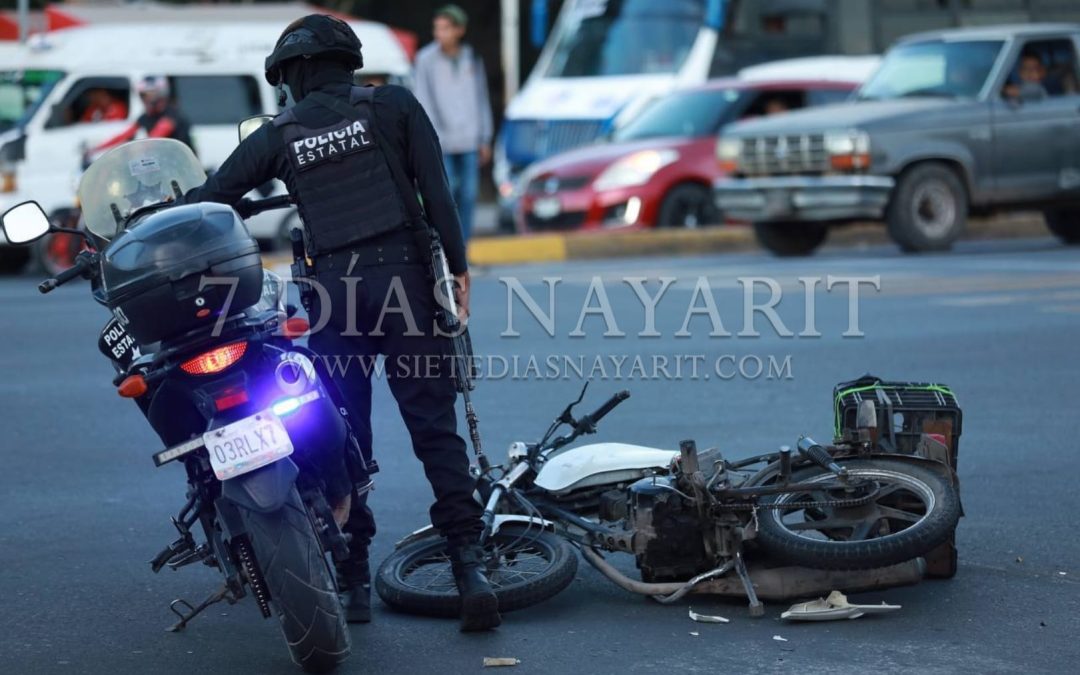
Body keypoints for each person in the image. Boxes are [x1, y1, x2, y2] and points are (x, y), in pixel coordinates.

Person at [175, 14, 500, 632]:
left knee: (348, 439)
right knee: (435, 430)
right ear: (346, 62)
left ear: (293, 74)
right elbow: (439, 195)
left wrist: (150, 219)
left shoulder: (280, 133)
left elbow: (215, 198)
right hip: (405, 283)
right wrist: (457, 272)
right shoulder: (395, 107)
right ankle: (470, 569)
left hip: (333, 299)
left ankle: (352, 583)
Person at [414, 4, 493, 244]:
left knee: (468, 196)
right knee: (446, 197)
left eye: (446, 28)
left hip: (470, 138)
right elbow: (422, 100)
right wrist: (432, 137)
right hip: (442, 141)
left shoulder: (472, 56)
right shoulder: (425, 59)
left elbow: (481, 98)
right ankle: (448, 249)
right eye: (437, 28)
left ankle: (464, 251)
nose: (440, 34)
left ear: (459, 30)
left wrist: (485, 137)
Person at [91, 76, 196, 154]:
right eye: (142, 95)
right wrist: (96, 149)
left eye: (148, 94)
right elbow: (124, 135)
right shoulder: (146, 116)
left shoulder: (171, 113)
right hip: (165, 162)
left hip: (182, 165)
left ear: (160, 93)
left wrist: (137, 148)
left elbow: (157, 135)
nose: (145, 99)